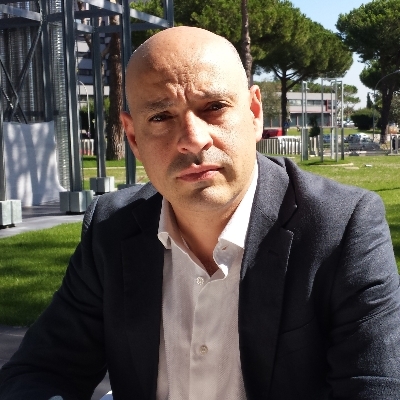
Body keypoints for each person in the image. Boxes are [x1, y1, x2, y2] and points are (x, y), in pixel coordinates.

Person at [1, 26, 400, 400]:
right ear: (133, 137)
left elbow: (375, 387)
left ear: (254, 113)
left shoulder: (341, 227)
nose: (193, 139)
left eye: (214, 107)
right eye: (161, 116)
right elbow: (41, 370)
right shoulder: (111, 226)